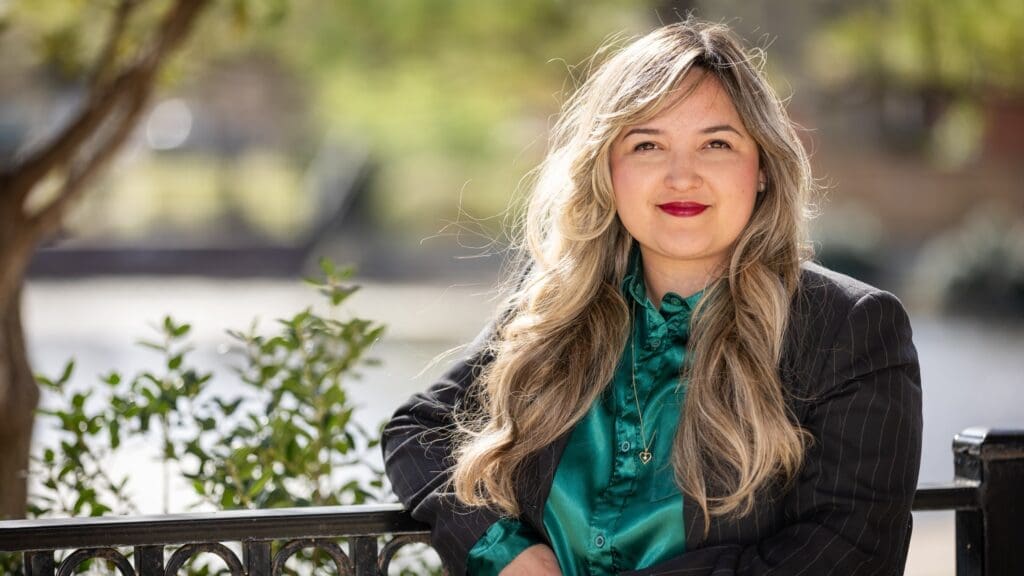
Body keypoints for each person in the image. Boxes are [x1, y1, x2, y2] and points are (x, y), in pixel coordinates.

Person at [382, 19, 922, 576]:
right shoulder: (553, 304)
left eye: (716, 144)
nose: (681, 176)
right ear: (607, 169)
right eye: (647, 145)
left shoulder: (850, 328)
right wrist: (506, 552)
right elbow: (419, 433)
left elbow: (849, 551)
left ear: (762, 167)